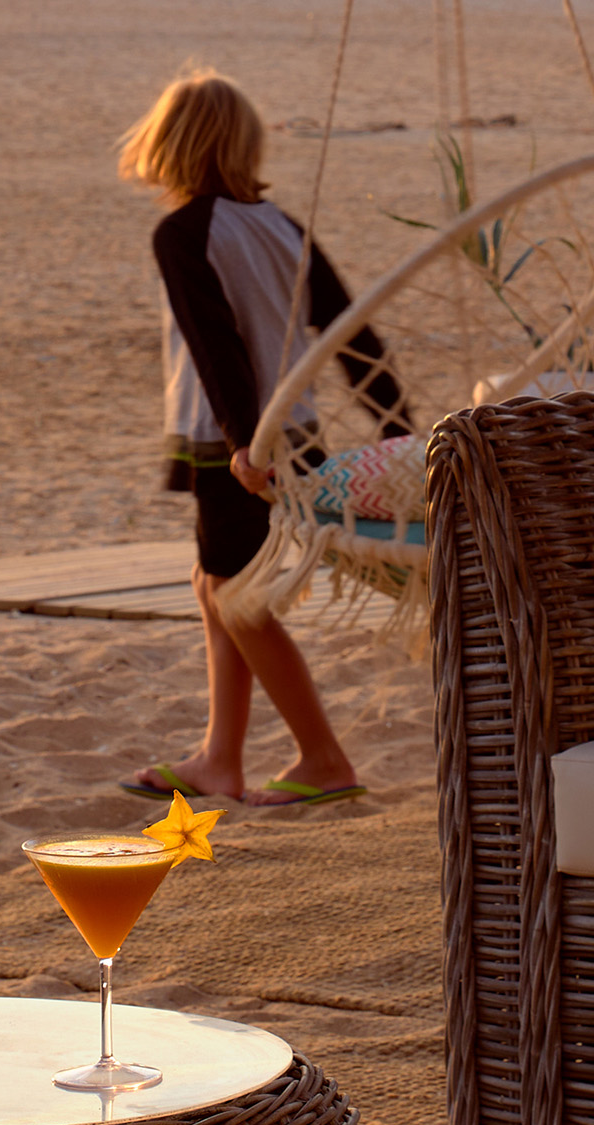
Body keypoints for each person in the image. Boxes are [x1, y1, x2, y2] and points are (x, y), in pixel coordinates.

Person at [117, 67, 407, 809]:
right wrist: (400, 429)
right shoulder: (281, 226)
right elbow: (352, 333)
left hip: (239, 445)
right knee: (213, 584)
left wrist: (244, 443)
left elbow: (215, 346)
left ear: (167, 144)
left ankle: (324, 758)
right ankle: (220, 758)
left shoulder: (183, 233)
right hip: (290, 433)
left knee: (234, 596)